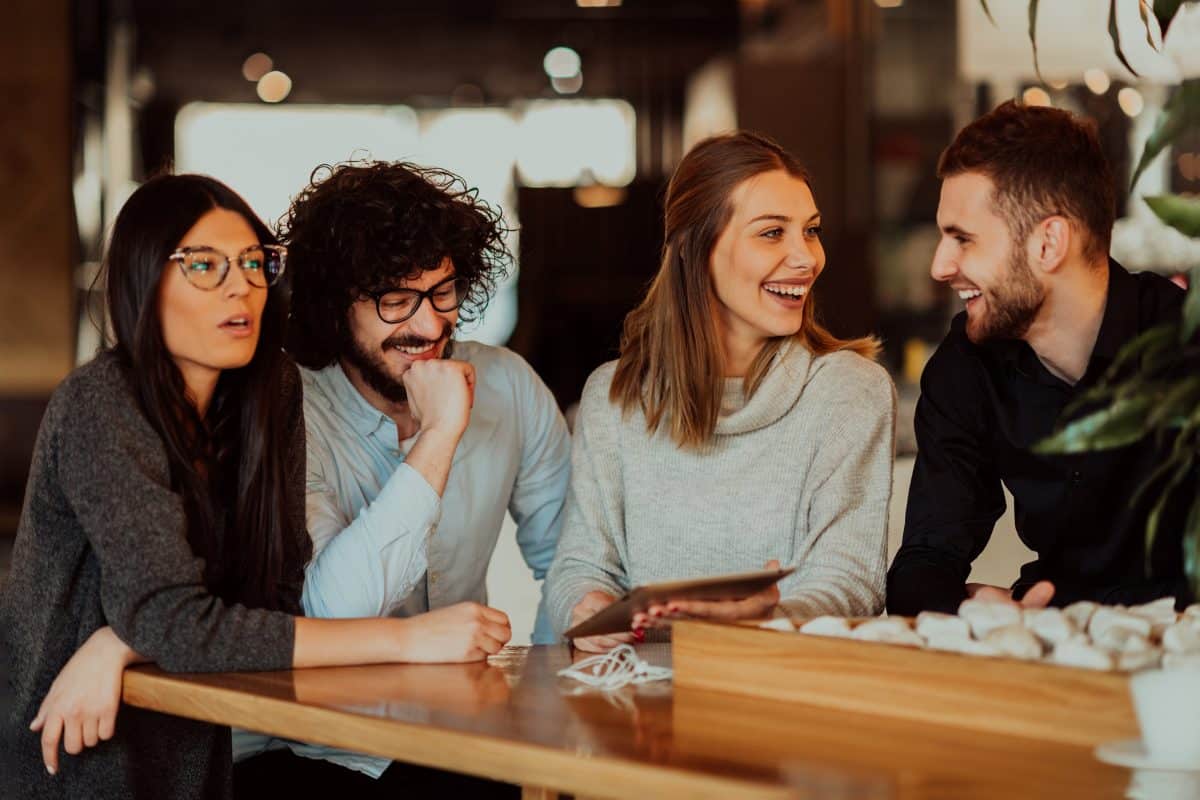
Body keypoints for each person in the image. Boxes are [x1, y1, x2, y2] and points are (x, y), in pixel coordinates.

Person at [0, 175, 509, 800]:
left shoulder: (269, 393)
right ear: (144, 280)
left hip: (201, 749)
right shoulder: (101, 405)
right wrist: (410, 639)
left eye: (252, 262)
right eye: (205, 265)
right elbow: (175, 621)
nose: (240, 284)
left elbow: (274, 593)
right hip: (72, 750)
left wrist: (123, 639)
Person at [231, 161, 569, 786]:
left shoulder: (509, 385)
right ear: (337, 305)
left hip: (464, 733)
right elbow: (330, 611)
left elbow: (570, 556)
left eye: (442, 292)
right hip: (317, 750)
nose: (429, 325)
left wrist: (546, 701)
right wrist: (439, 436)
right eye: (394, 300)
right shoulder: (290, 410)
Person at [544, 131, 896, 652]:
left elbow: (849, 581)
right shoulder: (612, 397)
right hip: (639, 710)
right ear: (696, 248)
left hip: (778, 697)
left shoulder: (849, 392)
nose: (807, 259)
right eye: (772, 233)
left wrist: (767, 621)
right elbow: (581, 564)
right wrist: (587, 607)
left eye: (812, 231)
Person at [887, 100, 1189, 616]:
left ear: (1048, 243)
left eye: (963, 239)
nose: (940, 266)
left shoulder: (1184, 343)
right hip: (1055, 652)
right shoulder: (967, 364)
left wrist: (1071, 613)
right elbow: (924, 561)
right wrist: (969, 610)